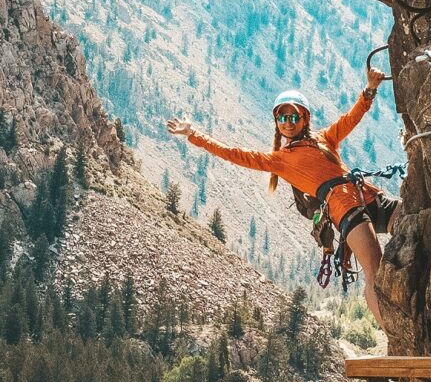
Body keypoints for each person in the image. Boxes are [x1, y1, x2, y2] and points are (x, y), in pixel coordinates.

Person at [166, 64, 391, 323]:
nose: (287, 123)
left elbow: (350, 119)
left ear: (304, 118)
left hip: (368, 196)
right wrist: (194, 135)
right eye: (282, 118)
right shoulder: (279, 160)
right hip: (344, 208)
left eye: (293, 117)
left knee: (412, 218)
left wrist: (370, 90)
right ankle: (392, 335)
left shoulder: (324, 139)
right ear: (276, 122)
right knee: (374, 269)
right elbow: (234, 154)